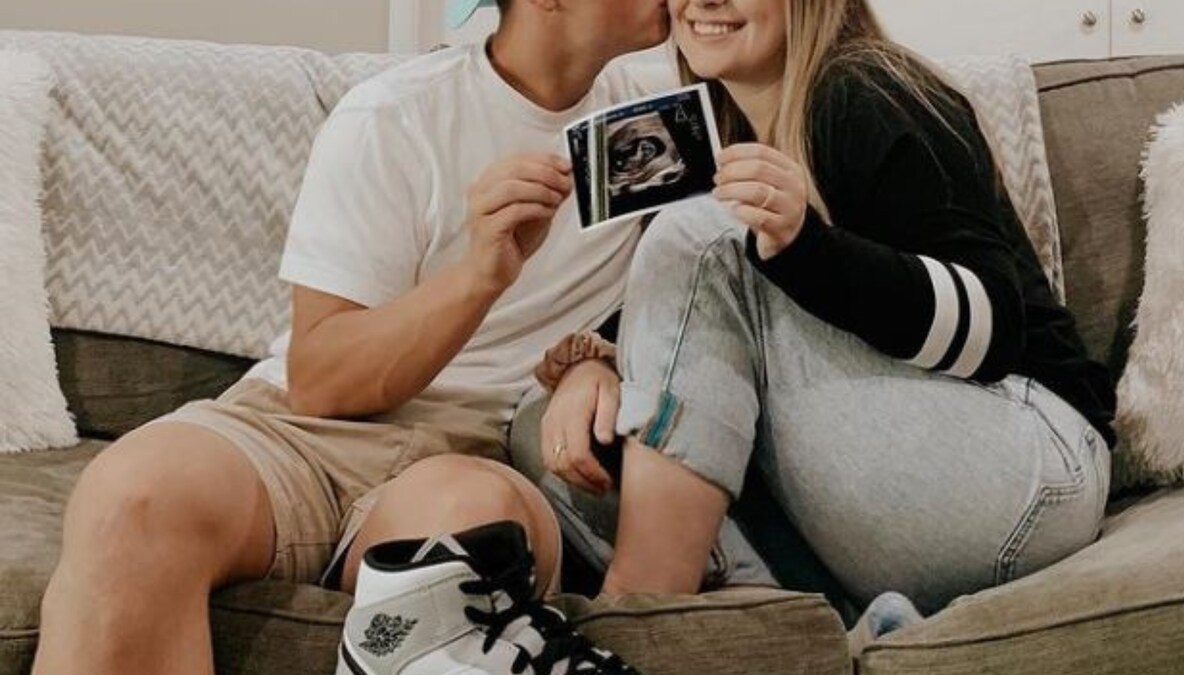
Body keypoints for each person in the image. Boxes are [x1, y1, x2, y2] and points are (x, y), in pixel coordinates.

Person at [31, 2, 671, 674]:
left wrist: (592, 362)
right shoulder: (397, 115)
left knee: (465, 527)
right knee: (133, 491)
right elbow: (320, 378)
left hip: (476, 448)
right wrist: (481, 275)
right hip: (300, 431)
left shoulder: (663, 123)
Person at [525, 0, 1115, 621]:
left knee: (700, 236)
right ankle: (772, 613)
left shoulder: (868, 91)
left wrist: (804, 248)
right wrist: (599, 364)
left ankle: (648, 602)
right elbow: (690, 342)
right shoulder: (701, 137)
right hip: (885, 502)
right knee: (546, 427)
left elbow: (996, 328)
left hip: (1032, 468)